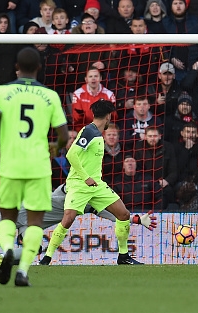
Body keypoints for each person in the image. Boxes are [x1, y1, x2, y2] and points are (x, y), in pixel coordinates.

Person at [0, 47, 69, 286]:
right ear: (39, 68)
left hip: (11, 165)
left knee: (8, 216)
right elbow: (63, 133)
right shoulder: (50, 96)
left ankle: (7, 248)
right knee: (35, 222)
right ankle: (23, 271)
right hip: (38, 166)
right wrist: (55, 147)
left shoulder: (3, 92)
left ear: (16, 67)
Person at [0, 183, 158, 265]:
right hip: (26, 209)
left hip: (33, 222)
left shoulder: (89, 203)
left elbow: (114, 215)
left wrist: (137, 220)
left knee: (36, 248)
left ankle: (3, 257)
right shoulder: (68, 189)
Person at [40, 99, 140, 267]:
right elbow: (71, 155)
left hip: (97, 185)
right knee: (67, 220)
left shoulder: (97, 134)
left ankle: (123, 256)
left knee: (123, 215)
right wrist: (86, 177)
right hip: (79, 184)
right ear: (108, 116)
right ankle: (47, 258)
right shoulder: (89, 132)